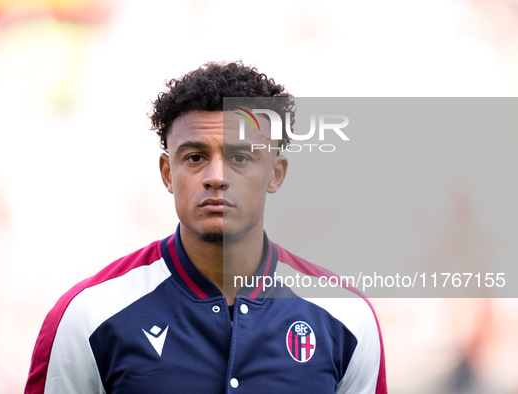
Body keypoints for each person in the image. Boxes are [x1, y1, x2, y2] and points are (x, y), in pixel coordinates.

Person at [24, 61, 387, 394]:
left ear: (275, 174)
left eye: (240, 157)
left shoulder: (345, 317)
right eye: (195, 157)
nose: (216, 177)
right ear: (168, 173)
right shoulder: (89, 316)